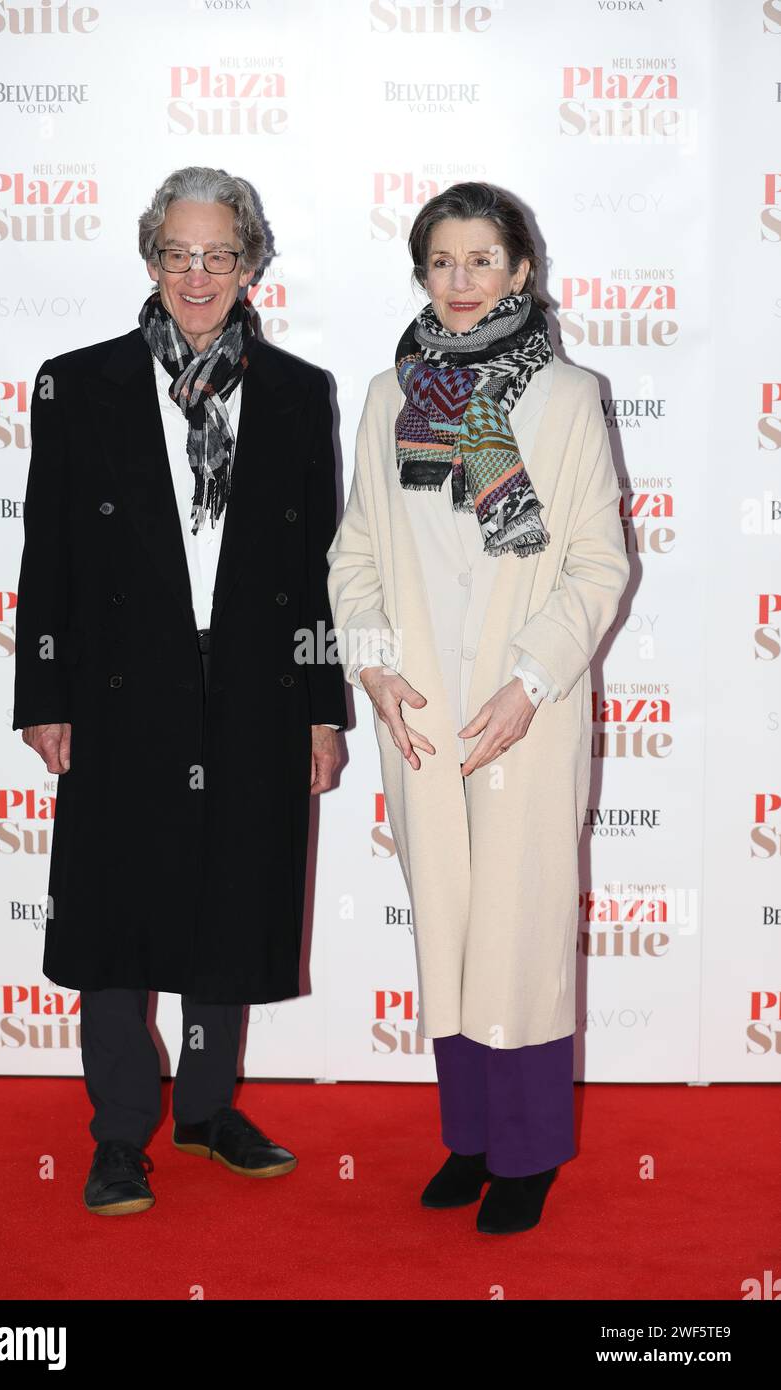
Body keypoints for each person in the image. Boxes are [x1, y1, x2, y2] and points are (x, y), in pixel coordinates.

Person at [12, 165, 347, 1216]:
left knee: (227, 896)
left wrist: (321, 704)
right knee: (116, 906)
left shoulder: (299, 392)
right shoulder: (79, 382)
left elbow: (321, 568)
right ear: (150, 258)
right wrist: (44, 693)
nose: (196, 275)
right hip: (121, 688)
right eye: (176, 253)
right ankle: (119, 1131)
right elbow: (48, 552)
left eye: (218, 255)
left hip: (252, 684)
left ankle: (204, 1108)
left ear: (250, 264)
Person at [326, 182, 629, 1235]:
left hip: (524, 708)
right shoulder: (383, 397)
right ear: (421, 274)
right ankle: (467, 1135)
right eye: (441, 263)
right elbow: (355, 552)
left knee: (519, 924)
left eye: (481, 260)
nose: (461, 283)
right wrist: (371, 666)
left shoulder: (567, 395)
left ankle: (528, 1152)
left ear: (520, 271)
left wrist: (531, 680)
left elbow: (597, 562)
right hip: (417, 711)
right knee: (449, 925)